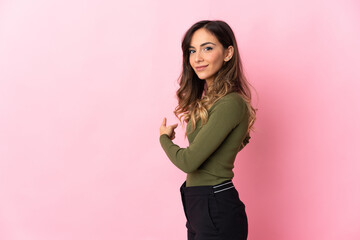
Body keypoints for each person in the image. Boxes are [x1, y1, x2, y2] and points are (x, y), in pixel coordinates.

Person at [159, 20, 256, 240]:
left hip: (215, 203)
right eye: (192, 50)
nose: (197, 58)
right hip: (198, 202)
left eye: (208, 48)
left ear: (228, 53)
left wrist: (165, 139)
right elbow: (237, 141)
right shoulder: (210, 102)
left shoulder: (230, 103)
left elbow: (189, 161)